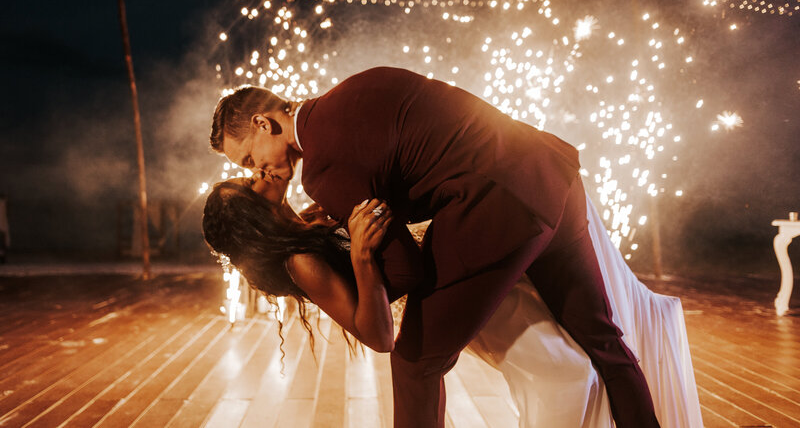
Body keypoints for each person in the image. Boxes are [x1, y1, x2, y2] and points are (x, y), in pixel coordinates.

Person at [208, 67, 660, 427]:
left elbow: (405, 272)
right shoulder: (358, 84)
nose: (259, 171)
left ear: (263, 123)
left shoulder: (321, 171)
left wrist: (363, 254)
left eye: (249, 159)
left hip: (501, 208)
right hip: (552, 170)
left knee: (414, 367)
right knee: (604, 342)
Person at [202, 176, 703, 427]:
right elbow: (375, 336)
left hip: (470, 271)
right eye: (247, 183)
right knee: (563, 371)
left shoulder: (309, 218)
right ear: (251, 215)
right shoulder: (300, 262)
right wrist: (360, 256)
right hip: (454, 288)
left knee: (569, 364)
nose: (257, 173)